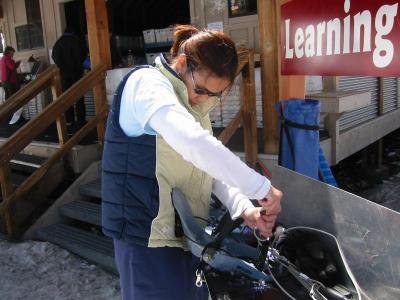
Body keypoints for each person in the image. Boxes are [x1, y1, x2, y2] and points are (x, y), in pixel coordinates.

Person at [101, 25, 283, 300]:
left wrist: (244, 208)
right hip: (146, 240)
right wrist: (260, 188)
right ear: (182, 63)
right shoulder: (147, 84)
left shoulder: (191, 104)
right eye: (201, 90)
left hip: (187, 238)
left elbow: (205, 165)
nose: (202, 100)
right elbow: (193, 144)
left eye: (214, 95)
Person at [52, 26, 87, 126]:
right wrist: (78, 64)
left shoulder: (59, 42)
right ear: (73, 33)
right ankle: (81, 119)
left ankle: (69, 120)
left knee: (67, 97)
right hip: (77, 73)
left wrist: (61, 66)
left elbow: (54, 56)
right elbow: (84, 53)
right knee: (79, 96)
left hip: (65, 74)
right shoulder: (77, 41)